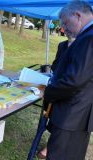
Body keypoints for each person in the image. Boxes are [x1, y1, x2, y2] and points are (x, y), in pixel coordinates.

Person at [44, 1, 93, 159]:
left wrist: (48, 92)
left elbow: (74, 80)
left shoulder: (89, 38)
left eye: (65, 22)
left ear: (78, 16)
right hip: (79, 114)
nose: (64, 28)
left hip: (72, 115)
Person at [37, 32, 76, 159]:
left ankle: (49, 147)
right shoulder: (62, 45)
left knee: (61, 120)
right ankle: (50, 143)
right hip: (56, 87)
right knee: (52, 116)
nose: (67, 31)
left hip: (69, 90)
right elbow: (55, 64)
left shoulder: (81, 46)